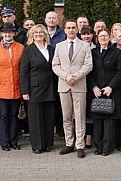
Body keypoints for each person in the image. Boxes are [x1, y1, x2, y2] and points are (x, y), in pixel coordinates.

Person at [52, 20, 93, 159]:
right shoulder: (59, 46)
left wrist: (75, 76)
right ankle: (69, 143)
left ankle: (80, 145)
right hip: (64, 85)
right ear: (65, 30)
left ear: (77, 29)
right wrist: (66, 76)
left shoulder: (85, 46)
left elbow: (88, 65)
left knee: (80, 116)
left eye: (73, 27)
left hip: (79, 84)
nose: (71, 30)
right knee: (66, 117)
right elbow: (55, 65)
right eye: (68, 28)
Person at [88, 29, 121, 156]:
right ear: (97, 38)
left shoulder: (116, 52)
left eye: (105, 36)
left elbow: (120, 72)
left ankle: (107, 148)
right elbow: (88, 72)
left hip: (111, 91)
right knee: (97, 121)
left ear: (109, 37)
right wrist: (93, 87)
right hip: (96, 91)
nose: (103, 38)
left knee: (109, 122)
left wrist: (111, 87)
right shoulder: (92, 52)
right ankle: (98, 147)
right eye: (100, 36)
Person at [20, 24, 56, 154]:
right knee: (36, 118)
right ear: (32, 35)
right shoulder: (28, 50)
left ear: (45, 34)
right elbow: (23, 72)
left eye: (41, 32)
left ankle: (47, 143)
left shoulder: (51, 49)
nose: (39, 34)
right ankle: (37, 145)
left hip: (50, 87)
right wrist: (25, 91)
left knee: (48, 117)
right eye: (36, 33)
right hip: (35, 89)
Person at [0, 22, 24, 150]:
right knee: (4, 115)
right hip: (2, 87)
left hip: (16, 86)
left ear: (14, 34)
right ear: (2, 34)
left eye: (10, 32)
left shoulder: (20, 47)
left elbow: (23, 68)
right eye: (5, 32)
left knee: (14, 116)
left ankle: (14, 141)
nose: (8, 34)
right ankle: (4, 141)